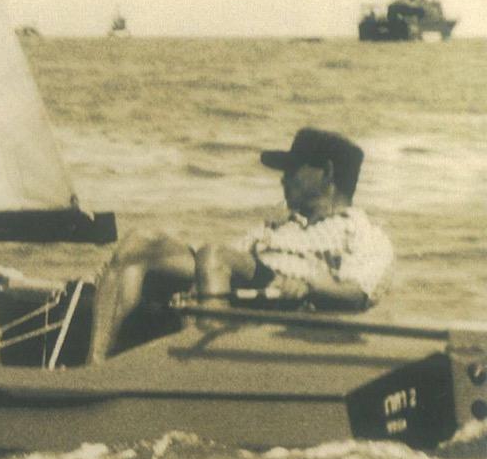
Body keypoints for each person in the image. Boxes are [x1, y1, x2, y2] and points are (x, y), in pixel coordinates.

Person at [88, 127, 394, 362]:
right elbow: (228, 258)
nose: (283, 179)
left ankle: (207, 364)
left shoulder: (362, 232)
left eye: (292, 170)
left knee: (215, 256)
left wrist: (310, 285)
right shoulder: (280, 225)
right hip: (242, 280)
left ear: (327, 172)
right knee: (139, 242)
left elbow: (358, 292)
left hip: (283, 300)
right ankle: (95, 367)